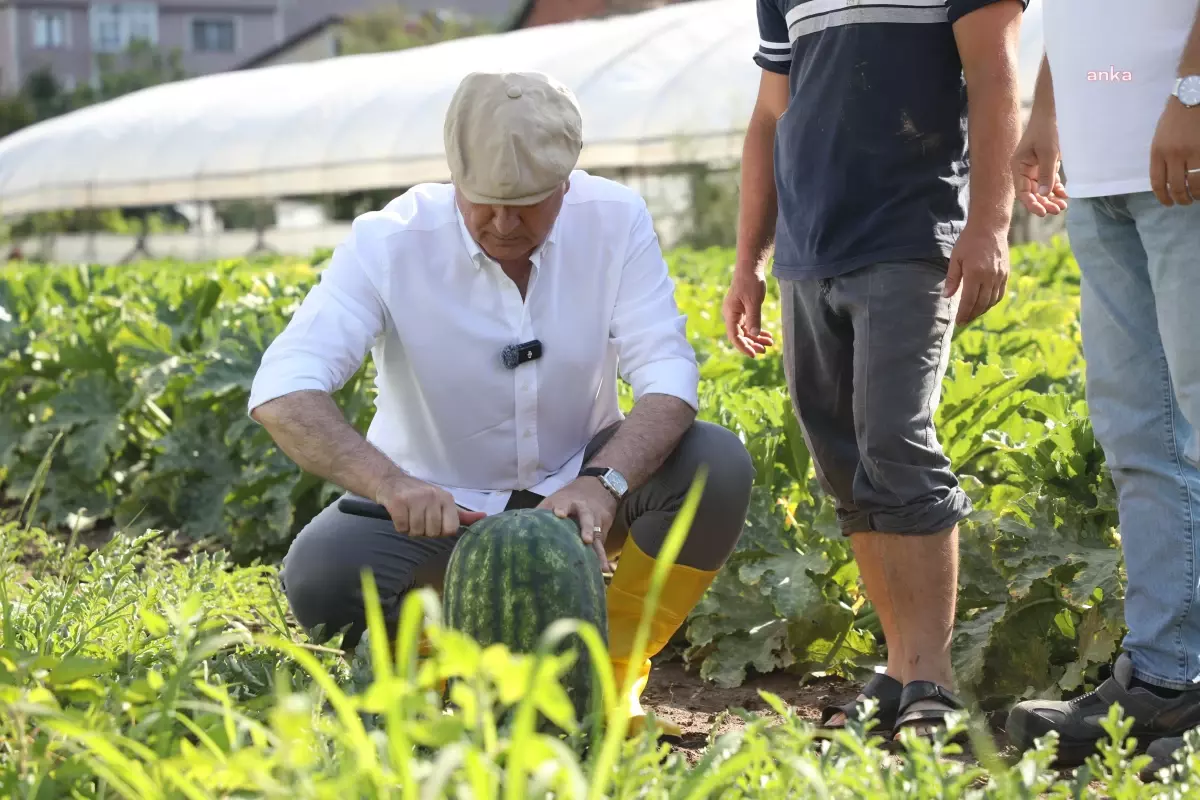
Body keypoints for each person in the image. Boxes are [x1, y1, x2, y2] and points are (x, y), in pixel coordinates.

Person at [247, 70, 755, 739]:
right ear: (455, 176)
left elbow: (668, 374)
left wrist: (603, 483)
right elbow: (283, 389)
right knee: (322, 574)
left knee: (715, 464)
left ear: (566, 185)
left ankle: (605, 676)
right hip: (435, 511)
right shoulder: (387, 241)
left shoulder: (615, 220)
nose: (502, 223)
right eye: (483, 202)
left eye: (528, 205)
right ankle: (452, 677)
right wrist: (392, 484)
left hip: (577, 492)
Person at [723, 0, 1029, 742]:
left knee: (896, 440)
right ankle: (898, 670)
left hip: (908, 232)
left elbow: (993, 73)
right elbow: (771, 117)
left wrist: (989, 223)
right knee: (842, 460)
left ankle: (932, 676)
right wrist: (748, 261)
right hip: (807, 248)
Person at [1004, 1, 1200, 771]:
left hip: (1184, 157)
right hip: (1101, 178)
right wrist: (1049, 110)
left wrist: (1192, 91)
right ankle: (1165, 677)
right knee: (1137, 432)